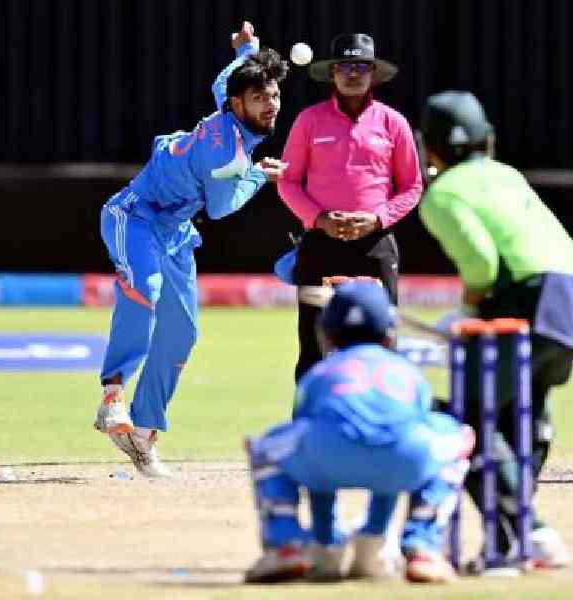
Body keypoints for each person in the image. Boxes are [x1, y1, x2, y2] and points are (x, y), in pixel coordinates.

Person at [416, 91, 573, 569]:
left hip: (533, 296)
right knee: (524, 405)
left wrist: (468, 311)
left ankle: (531, 533)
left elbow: (480, 262)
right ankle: (508, 537)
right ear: (488, 139)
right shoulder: (507, 173)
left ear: (429, 147)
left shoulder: (442, 192)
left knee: (471, 421)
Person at [93, 22, 289, 477]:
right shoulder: (228, 157)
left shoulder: (230, 99)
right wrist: (261, 176)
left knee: (182, 332)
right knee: (146, 287)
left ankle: (142, 436)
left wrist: (249, 50)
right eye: (261, 98)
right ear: (240, 106)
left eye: (274, 95)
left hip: (176, 231)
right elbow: (222, 210)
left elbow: (224, 79)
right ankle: (113, 396)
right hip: (135, 216)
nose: (271, 104)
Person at [243, 281, 473, 584]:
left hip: (328, 456)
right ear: (389, 333)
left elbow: (310, 442)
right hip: (402, 461)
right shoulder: (407, 372)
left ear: (328, 332)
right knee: (457, 439)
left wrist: (325, 543)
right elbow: (398, 431)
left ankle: (290, 546)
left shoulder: (319, 373)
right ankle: (421, 549)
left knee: (266, 447)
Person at [277, 33, 423, 382]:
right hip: (320, 243)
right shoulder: (309, 121)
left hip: (374, 244)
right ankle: (309, 428)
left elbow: (412, 186)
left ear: (373, 73)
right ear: (333, 73)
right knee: (313, 345)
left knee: (383, 341)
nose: (353, 74)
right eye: (345, 66)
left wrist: (376, 219)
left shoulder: (393, 123)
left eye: (361, 66)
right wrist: (320, 219)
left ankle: (385, 426)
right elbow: (287, 181)